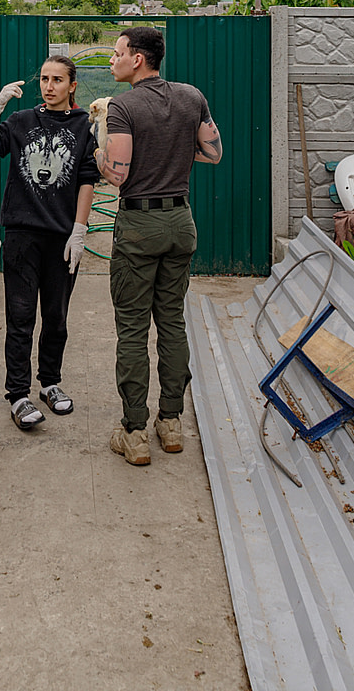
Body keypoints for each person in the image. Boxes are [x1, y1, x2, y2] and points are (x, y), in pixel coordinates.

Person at [94, 26, 222, 466]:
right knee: (171, 322)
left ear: (139, 59)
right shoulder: (191, 96)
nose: (112, 60)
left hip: (140, 225)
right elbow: (213, 151)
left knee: (131, 328)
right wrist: (172, 155)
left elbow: (117, 175)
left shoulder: (122, 107)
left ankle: (133, 432)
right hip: (180, 222)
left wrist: (98, 151)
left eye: (117, 54)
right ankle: (170, 423)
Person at [0, 56, 99, 430]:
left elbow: (87, 181)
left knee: (57, 318)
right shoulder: (20, 121)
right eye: (44, 79)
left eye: (57, 79)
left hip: (61, 238)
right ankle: (17, 394)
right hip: (21, 235)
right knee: (21, 318)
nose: (48, 86)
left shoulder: (82, 127)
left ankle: (50, 383)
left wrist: (80, 230)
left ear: (72, 85)